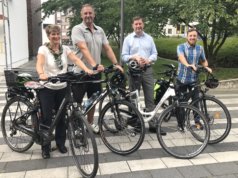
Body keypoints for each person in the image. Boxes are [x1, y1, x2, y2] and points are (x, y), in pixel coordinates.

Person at [36, 25, 93, 159]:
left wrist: (86, 69)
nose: (55, 36)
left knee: (62, 117)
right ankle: (45, 147)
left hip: (62, 87)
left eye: (57, 34)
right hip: (47, 87)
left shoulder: (65, 48)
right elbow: (39, 62)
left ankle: (60, 143)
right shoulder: (43, 49)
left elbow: (76, 59)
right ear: (48, 36)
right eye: (52, 34)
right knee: (47, 118)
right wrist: (41, 73)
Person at [71, 3, 123, 133]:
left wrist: (116, 64)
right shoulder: (77, 29)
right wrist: (94, 64)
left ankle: (89, 124)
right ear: (81, 15)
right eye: (85, 13)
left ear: (94, 14)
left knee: (93, 99)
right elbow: (83, 48)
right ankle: (77, 126)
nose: (88, 15)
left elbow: (107, 48)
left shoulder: (100, 30)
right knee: (77, 102)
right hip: (81, 73)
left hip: (95, 73)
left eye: (90, 13)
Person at [121, 16, 165, 134]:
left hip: (147, 71)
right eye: (136, 24)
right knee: (133, 99)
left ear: (143, 24)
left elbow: (155, 54)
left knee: (150, 98)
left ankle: (153, 124)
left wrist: (148, 60)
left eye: (140, 24)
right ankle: (136, 124)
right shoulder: (128, 39)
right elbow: (123, 56)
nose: (138, 26)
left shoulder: (149, 38)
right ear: (133, 25)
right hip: (133, 72)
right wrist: (133, 56)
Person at [176, 28, 212, 130]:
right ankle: (180, 124)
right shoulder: (181, 47)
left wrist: (206, 67)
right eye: (190, 35)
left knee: (196, 102)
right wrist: (188, 65)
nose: (192, 37)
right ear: (187, 37)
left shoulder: (200, 48)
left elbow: (203, 60)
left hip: (194, 80)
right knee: (182, 103)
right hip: (182, 79)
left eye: (194, 36)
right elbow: (181, 57)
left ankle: (197, 122)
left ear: (197, 37)